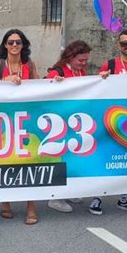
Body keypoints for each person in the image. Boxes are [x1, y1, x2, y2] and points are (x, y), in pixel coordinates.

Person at [88, 29, 127, 216]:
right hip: (112, 118)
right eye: (124, 44)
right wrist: (103, 79)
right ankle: (96, 196)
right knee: (106, 156)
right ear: (118, 46)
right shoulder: (111, 64)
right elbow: (97, 90)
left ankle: (124, 198)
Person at [0, 29, 39, 225]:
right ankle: (5, 202)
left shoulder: (30, 64)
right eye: (11, 42)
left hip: (26, 120)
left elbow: (41, 85)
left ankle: (31, 206)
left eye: (18, 42)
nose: (15, 45)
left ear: (24, 45)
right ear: (5, 45)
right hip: (4, 120)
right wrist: (4, 81)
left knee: (29, 162)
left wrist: (56, 81)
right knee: (6, 161)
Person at [46, 40, 91, 213]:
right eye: (81, 60)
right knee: (61, 159)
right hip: (59, 124)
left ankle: (70, 191)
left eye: (86, 60)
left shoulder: (81, 73)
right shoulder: (57, 72)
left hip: (76, 123)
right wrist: (54, 84)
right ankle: (55, 197)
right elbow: (46, 95)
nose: (84, 63)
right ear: (70, 58)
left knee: (74, 158)